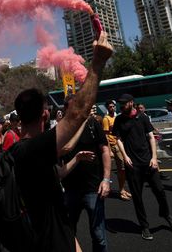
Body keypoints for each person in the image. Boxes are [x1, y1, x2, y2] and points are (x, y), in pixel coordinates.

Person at [0, 31, 113, 251]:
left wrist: (77, 159)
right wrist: (98, 63)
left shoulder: (22, 151)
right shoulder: (34, 148)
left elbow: (57, 173)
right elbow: (78, 112)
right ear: (45, 115)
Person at [113, 93, 172, 240]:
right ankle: (144, 226)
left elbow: (151, 137)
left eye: (124, 103)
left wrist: (154, 158)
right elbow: (118, 139)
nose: (121, 106)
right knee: (137, 197)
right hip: (132, 165)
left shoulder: (142, 117)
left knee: (160, 191)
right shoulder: (119, 119)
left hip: (148, 162)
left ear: (131, 103)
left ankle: (166, 215)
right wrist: (125, 156)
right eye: (120, 104)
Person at [62, 104, 111, 252]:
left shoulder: (92, 124)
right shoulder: (62, 130)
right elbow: (59, 154)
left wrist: (106, 180)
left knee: (99, 235)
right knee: (68, 233)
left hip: (93, 188)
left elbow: (105, 150)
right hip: (70, 190)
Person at [102, 99, 131, 201]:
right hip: (114, 144)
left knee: (122, 168)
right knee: (121, 167)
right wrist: (109, 150)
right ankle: (121, 191)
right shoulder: (106, 119)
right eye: (110, 107)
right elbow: (106, 135)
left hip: (120, 143)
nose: (112, 108)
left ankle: (122, 189)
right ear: (107, 108)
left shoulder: (117, 117)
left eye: (113, 106)